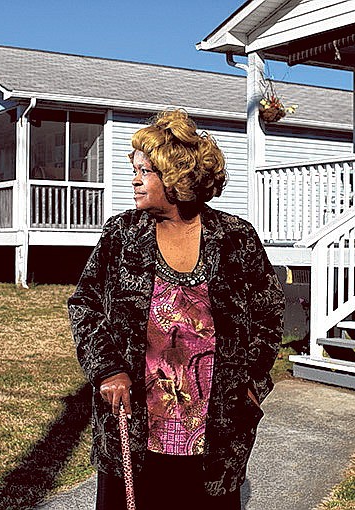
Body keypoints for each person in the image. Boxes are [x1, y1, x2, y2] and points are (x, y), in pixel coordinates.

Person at [68, 109, 285, 510]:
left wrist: (251, 387)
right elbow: (85, 305)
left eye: (145, 171)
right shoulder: (122, 235)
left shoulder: (235, 238)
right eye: (134, 169)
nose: (134, 179)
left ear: (177, 177)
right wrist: (107, 368)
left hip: (215, 430)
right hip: (133, 429)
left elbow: (269, 317)